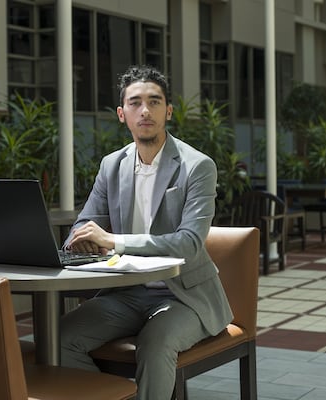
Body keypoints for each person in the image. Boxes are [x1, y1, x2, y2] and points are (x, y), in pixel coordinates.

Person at [60, 65, 233, 399]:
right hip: (126, 292)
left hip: (184, 296)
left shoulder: (197, 166)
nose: (145, 110)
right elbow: (84, 224)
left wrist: (113, 242)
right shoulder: (112, 165)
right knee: (60, 338)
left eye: (154, 102)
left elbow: (190, 243)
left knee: (155, 343)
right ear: (122, 114)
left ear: (168, 111)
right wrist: (78, 238)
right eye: (136, 103)